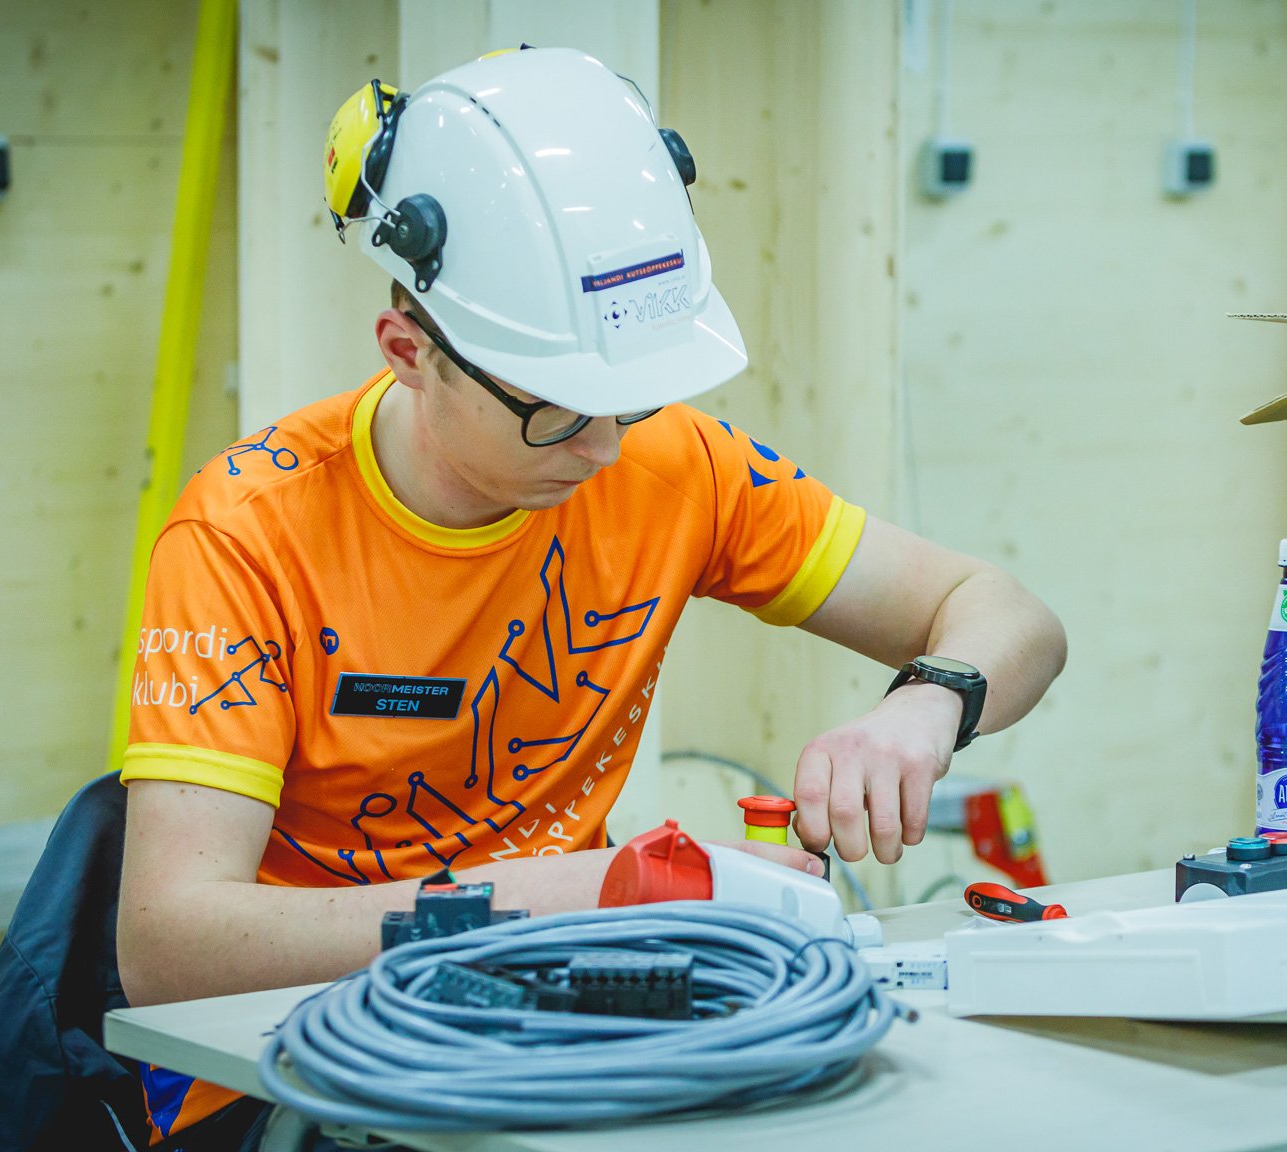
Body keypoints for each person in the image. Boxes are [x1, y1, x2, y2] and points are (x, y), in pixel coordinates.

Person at [114, 46, 1066, 1147]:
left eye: (630, 397)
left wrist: (926, 704)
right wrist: (586, 891)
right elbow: (169, 949)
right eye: (556, 406)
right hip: (296, 1068)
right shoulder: (245, 534)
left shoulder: (673, 463)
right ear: (409, 351)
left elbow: (1010, 616)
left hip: (570, 1022)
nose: (606, 448)